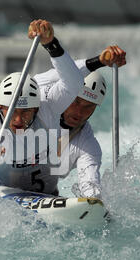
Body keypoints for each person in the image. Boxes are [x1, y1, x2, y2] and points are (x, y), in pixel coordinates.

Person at [0, 19, 84, 196]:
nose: (18, 120)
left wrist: (51, 45)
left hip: (43, 194)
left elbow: (74, 83)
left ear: (36, 109)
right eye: (11, 112)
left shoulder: (47, 109)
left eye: (25, 112)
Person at [34, 45, 126, 199]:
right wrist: (99, 61)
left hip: (41, 194)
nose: (79, 112)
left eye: (88, 106)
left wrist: (95, 204)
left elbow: (90, 185)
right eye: (75, 102)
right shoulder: (40, 97)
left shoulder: (87, 144)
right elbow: (65, 71)